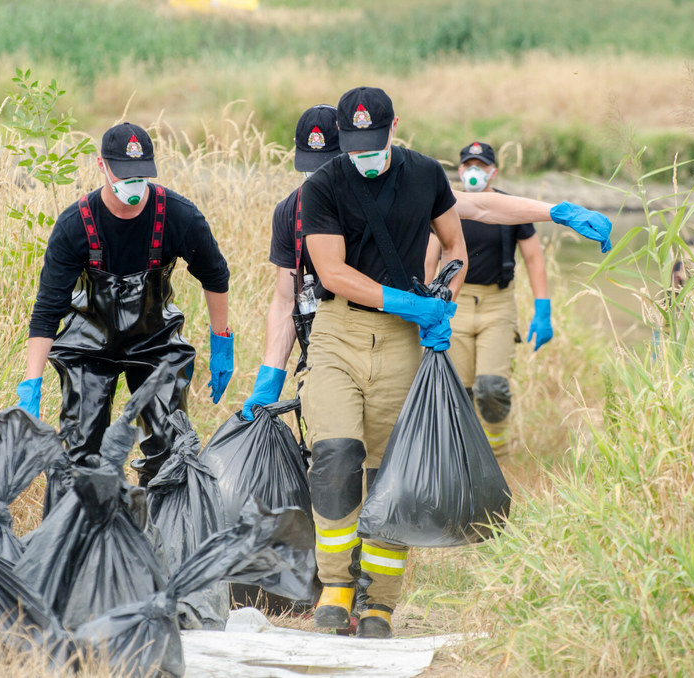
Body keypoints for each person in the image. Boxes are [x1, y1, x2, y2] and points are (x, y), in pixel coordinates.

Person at [299, 86, 612, 639]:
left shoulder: (423, 176)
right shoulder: (324, 185)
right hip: (339, 333)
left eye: (374, 143)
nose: (365, 155)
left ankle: (379, 601)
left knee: (389, 469)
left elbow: (468, 227)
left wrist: (552, 214)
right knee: (335, 456)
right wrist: (406, 300)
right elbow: (332, 273)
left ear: (394, 128)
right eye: (355, 145)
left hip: (403, 340)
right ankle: (336, 583)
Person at [15, 122, 234, 490]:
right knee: (83, 449)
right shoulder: (75, 224)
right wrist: (31, 384)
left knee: (169, 445)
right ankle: (80, 537)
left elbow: (215, 275)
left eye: (141, 175)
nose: (134, 184)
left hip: (155, 342)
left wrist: (222, 341)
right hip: (90, 344)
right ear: (102, 165)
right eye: (125, 174)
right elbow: (48, 310)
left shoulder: (178, 215)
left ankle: (158, 533)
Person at [423, 140, 552, 454]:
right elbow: (430, 258)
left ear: (493, 172)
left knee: (491, 388)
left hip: (498, 305)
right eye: (468, 165)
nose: (473, 171)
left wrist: (543, 308)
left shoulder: (511, 209)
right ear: (459, 168)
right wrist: (423, 306)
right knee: (460, 391)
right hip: (456, 303)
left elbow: (534, 259)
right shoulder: (444, 205)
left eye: (480, 166)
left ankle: (498, 451)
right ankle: (466, 457)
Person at [241, 104, 342, 421]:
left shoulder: (375, 207)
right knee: (323, 451)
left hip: (377, 343)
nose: (318, 175)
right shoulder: (290, 212)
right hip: (319, 351)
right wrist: (269, 378)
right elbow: (286, 300)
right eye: (312, 166)